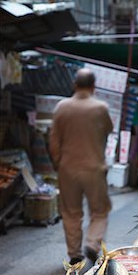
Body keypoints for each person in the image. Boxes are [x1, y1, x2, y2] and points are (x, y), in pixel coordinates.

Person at [49, 68, 113, 265]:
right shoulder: (100, 108)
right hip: (94, 168)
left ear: (74, 85)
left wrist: (59, 163)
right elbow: (108, 130)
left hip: (67, 168)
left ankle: (75, 254)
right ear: (93, 87)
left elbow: (53, 140)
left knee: (71, 212)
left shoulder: (61, 107)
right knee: (100, 210)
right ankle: (92, 244)